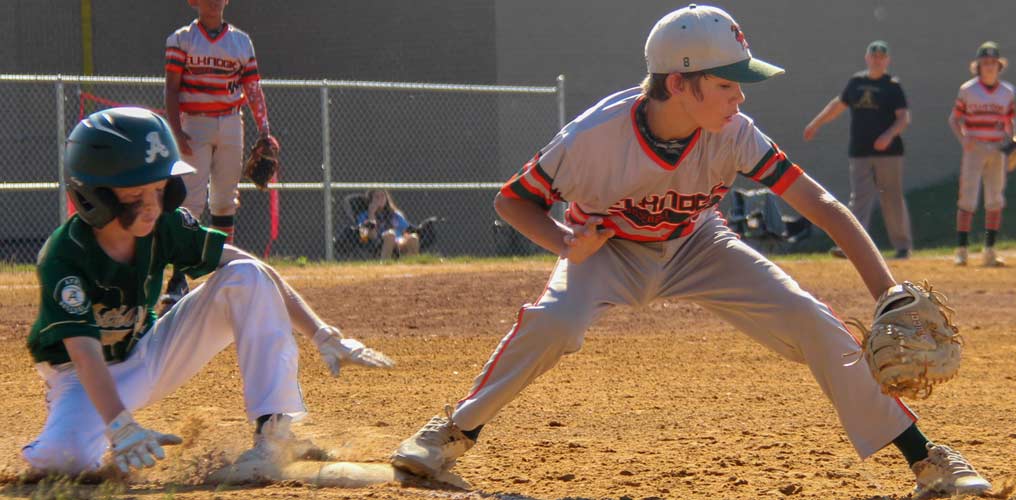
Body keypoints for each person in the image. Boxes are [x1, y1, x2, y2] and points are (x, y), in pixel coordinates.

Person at [389, 5, 991, 499]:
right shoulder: (592, 139)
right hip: (609, 250)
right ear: (679, 82)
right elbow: (513, 203)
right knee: (556, 323)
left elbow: (822, 206)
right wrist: (568, 242)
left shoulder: (733, 131)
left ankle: (927, 462)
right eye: (728, 84)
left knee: (811, 319)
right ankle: (448, 436)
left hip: (698, 243)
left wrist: (886, 290)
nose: (740, 98)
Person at [22, 108, 392, 476]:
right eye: (136, 191)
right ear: (93, 195)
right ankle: (81, 435)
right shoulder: (64, 256)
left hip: (147, 354)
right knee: (61, 463)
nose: (152, 204)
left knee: (245, 274)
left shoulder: (162, 224)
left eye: (159, 188)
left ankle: (274, 433)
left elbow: (255, 270)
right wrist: (120, 424)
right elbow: (84, 355)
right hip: (81, 375)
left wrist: (323, 334)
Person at [160, 0, 281, 310]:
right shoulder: (182, 38)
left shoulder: (240, 41)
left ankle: (223, 277)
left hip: (230, 121)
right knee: (191, 200)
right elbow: (172, 88)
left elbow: (252, 87)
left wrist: (264, 130)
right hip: (194, 123)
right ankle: (179, 277)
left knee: (225, 201)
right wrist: (176, 130)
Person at [804, 40, 913, 260]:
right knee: (860, 199)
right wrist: (816, 123)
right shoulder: (856, 82)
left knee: (891, 198)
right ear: (867, 58)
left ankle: (902, 246)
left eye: (881, 57)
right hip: (860, 150)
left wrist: (888, 135)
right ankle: (851, 246)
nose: (877, 60)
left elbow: (904, 118)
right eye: (874, 56)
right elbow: (838, 105)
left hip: (889, 153)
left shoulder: (892, 86)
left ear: (887, 61)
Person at [948, 41, 1015, 267]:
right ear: (978, 65)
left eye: (993, 63)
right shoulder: (968, 89)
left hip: (997, 147)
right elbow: (954, 119)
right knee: (967, 198)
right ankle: (962, 249)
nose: (989, 67)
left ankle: (989, 249)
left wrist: (1013, 144)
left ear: (999, 66)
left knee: (995, 200)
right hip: (975, 147)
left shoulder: (1007, 92)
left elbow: (1012, 121)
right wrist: (963, 137)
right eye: (985, 63)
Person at [355, 189, 420, 261]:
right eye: (377, 197)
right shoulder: (363, 215)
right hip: (379, 242)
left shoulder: (394, 214)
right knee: (390, 234)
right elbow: (367, 236)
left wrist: (405, 238)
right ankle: (385, 264)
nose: (380, 199)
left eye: (383, 196)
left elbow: (406, 231)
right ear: (371, 201)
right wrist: (371, 214)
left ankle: (410, 265)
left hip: (398, 241)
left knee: (413, 238)